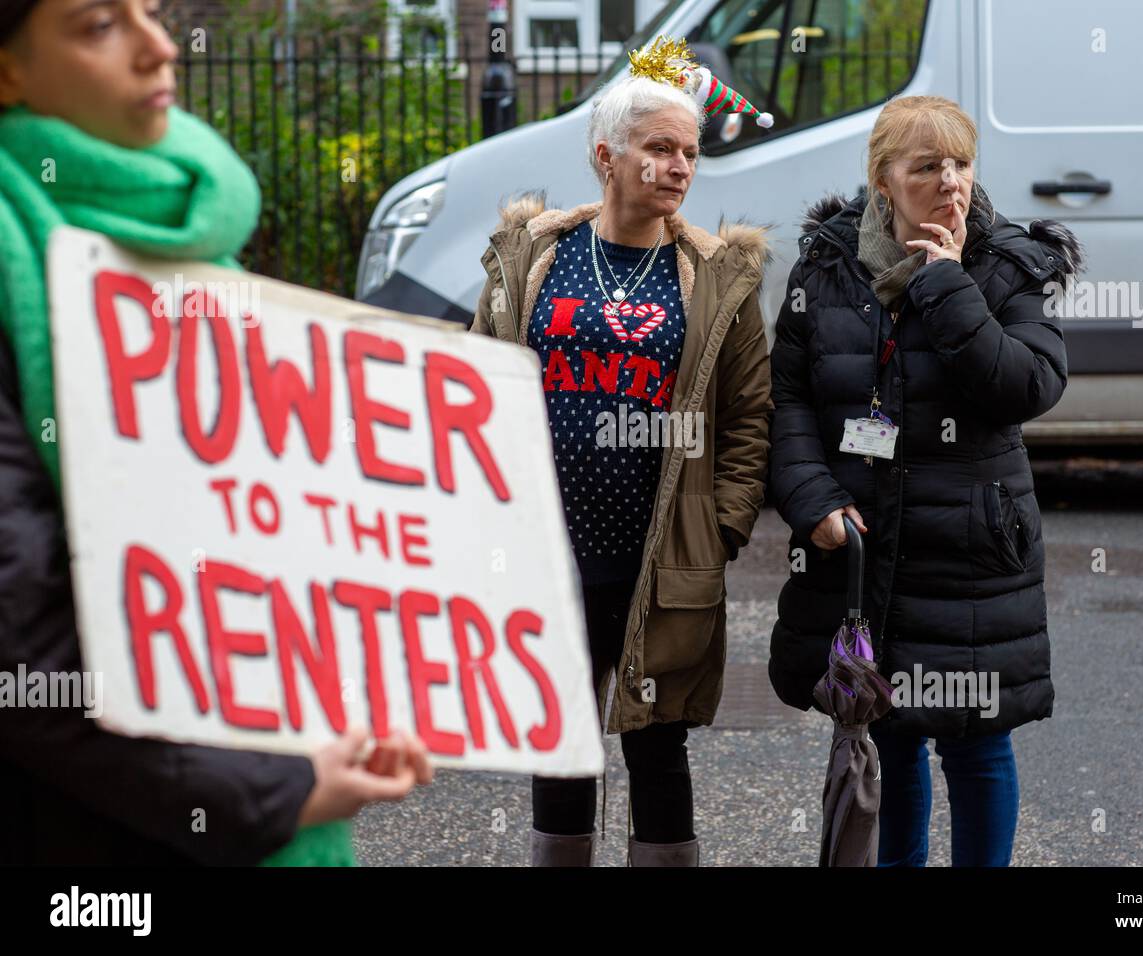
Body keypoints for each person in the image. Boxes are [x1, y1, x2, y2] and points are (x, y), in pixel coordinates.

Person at [0, 0, 432, 866]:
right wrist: (273, 789)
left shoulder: (177, 222)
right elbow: (19, 637)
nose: (159, 47)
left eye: (151, 13)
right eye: (97, 26)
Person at [468, 39, 773, 866]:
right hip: (550, 554)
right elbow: (474, 390)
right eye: (660, 148)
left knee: (656, 742)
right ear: (607, 155)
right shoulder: (535, 259)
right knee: (561, 740)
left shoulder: (715, 279)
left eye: (690, 153)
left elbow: (748, 419)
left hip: (659, 558)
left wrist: (721, 533)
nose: (679, 167)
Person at [767, 95, 1083, 866]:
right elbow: (790, 397)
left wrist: (944, 286)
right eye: (926, 167)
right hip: (868, 545)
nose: (950, 182)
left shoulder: (1003, 263)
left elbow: (1028, 386)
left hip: (971, 544)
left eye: (961, 164)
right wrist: (811, 496)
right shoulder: (828, 264)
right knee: (892, 738)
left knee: (976, 748)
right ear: (883, 181)